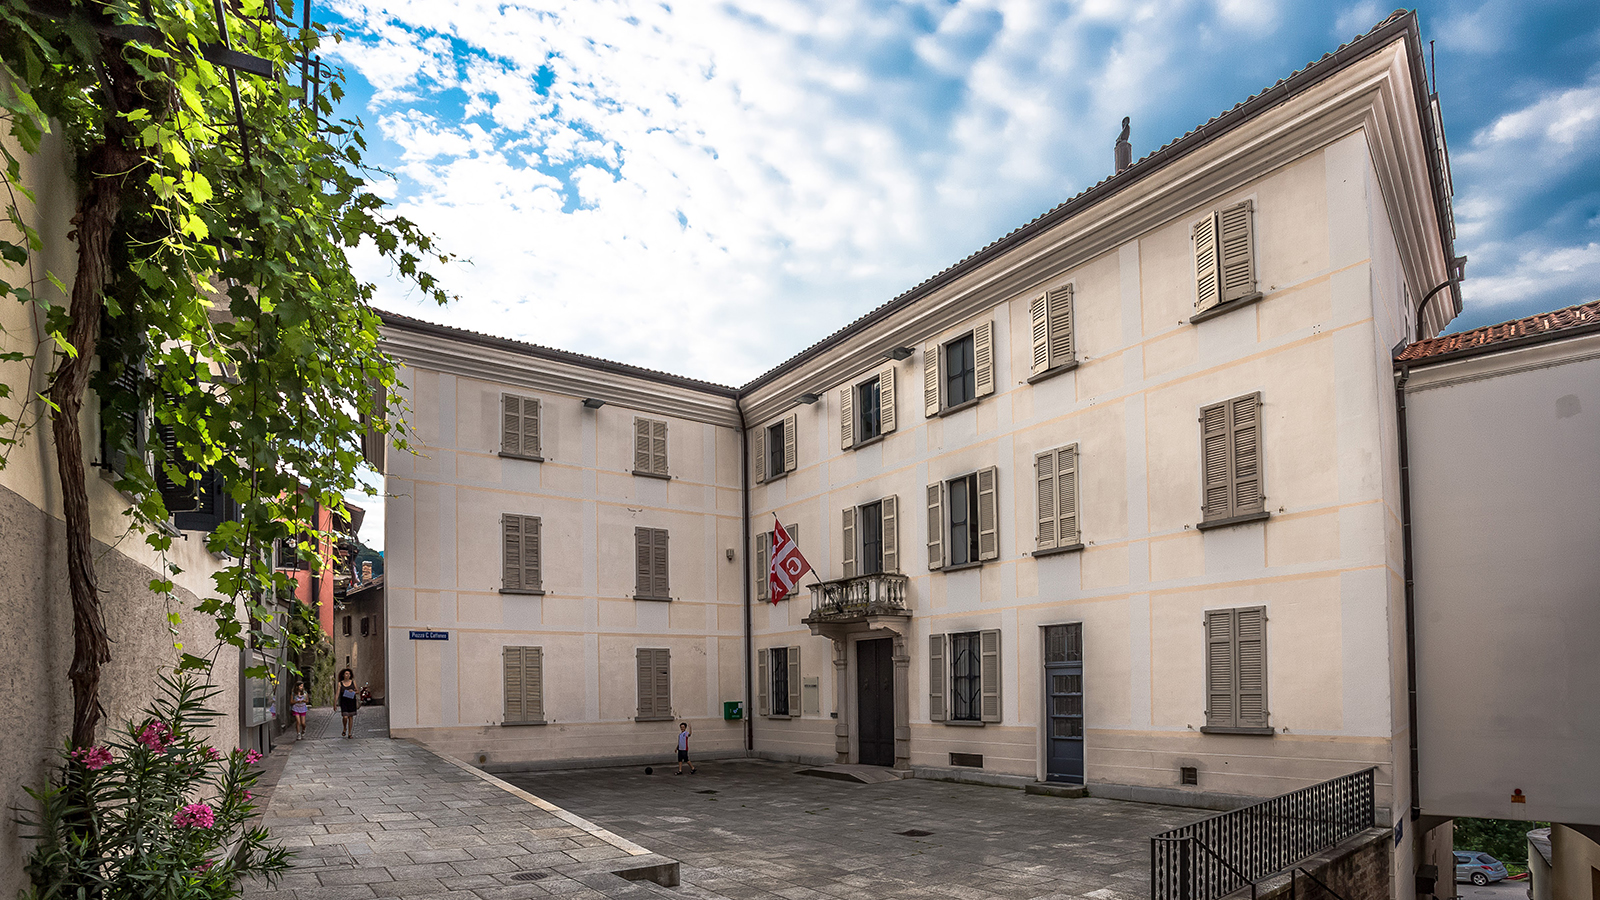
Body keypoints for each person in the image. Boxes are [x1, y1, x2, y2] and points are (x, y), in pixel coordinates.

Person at [337, 669, 359, 738]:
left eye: (349, 674)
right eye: (346, 674)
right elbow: (337, 694)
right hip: (344, 702)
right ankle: (344, 728)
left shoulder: (353, 682)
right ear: (343, 675)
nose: (348, 675)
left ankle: (349, 733)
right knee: (345, 717)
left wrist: (353, 691)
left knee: (350, 717)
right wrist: (335, 703)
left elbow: (357, 691)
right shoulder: (340, 683)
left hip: (351, 701)